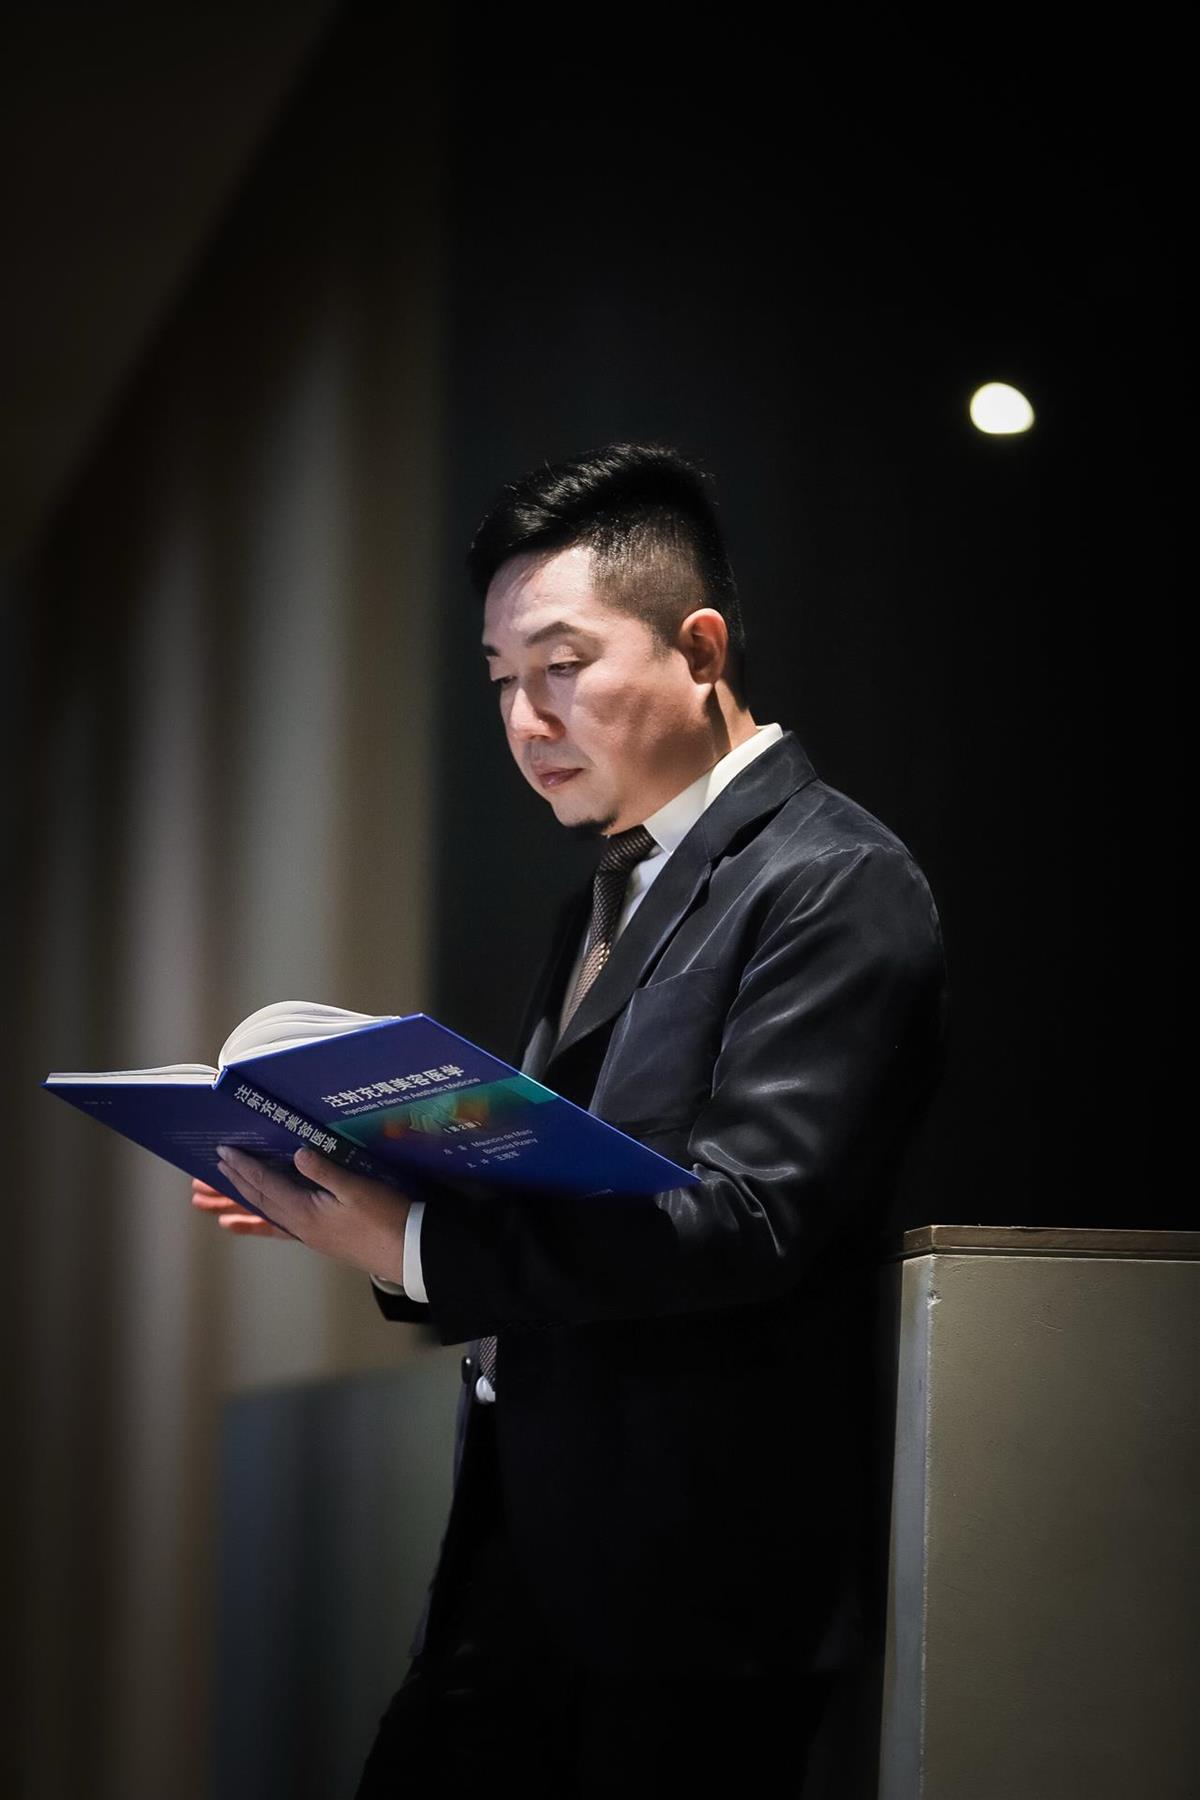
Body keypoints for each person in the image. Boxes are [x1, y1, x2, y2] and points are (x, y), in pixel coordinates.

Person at [197, 441, 949, 1797]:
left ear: (701, 650)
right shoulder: (610, 886)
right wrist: (355, 1183)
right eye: (501, 679)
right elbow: (567, 1180)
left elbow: (747, 1217)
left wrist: (414, 1248)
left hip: (693, 1606)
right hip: (528, 1561)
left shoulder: (837, 878)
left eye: (561, 665)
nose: (525, 719)